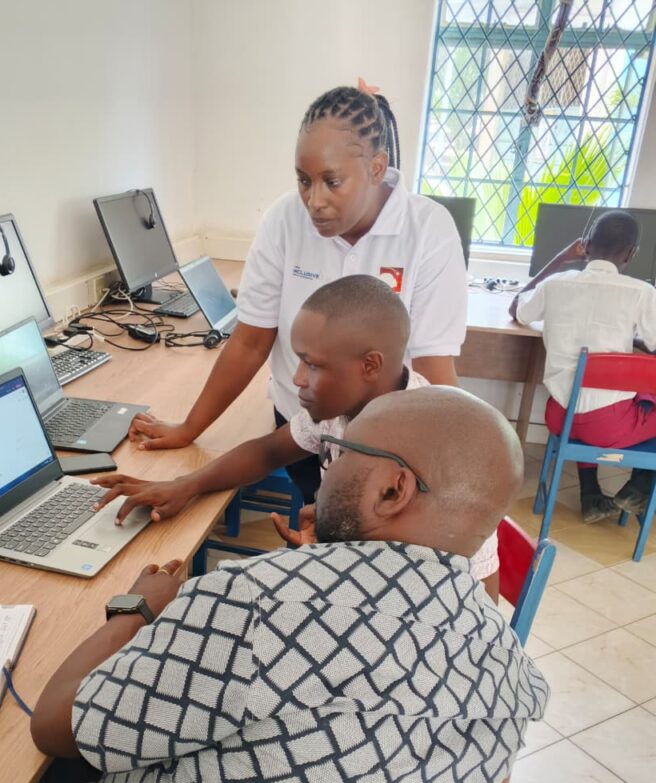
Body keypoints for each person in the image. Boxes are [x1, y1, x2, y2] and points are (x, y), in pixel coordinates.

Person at [0, 387, 548, 783]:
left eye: (339, 454)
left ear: (392, 491)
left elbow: (53, 726)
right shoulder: (512, 675)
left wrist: (137, 610)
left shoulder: (258, 603)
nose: (325, 468)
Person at [127, 84, 468, 502]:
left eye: (332, 181)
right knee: (321, 519)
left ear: (377, 168)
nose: (314, 200)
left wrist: (438, 472)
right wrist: (189, 428)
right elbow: (251, 341)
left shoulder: (427, 230)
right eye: (304, 181)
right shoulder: (284, 220)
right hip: (302, 425)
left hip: (392, 445)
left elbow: (434, 370)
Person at [91, 275, 501, 599]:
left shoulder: (437, 447)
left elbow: (480, 587)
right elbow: (269, 450)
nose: (297, 379)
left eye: (312, 365)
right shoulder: (340, 411)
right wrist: (184, 485)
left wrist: (330, 552)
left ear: (370, 365)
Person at [511, 211, 656, 522]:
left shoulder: (556, 284)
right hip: (608, 426)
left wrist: (560, 260)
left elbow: (518, 310)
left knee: (586, 392)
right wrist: (635, 342)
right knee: (633, 399)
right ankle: (639, 486)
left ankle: (590, 493)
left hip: (560, 417)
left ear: (586, 246)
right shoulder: (642, 293)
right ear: (630, 253)